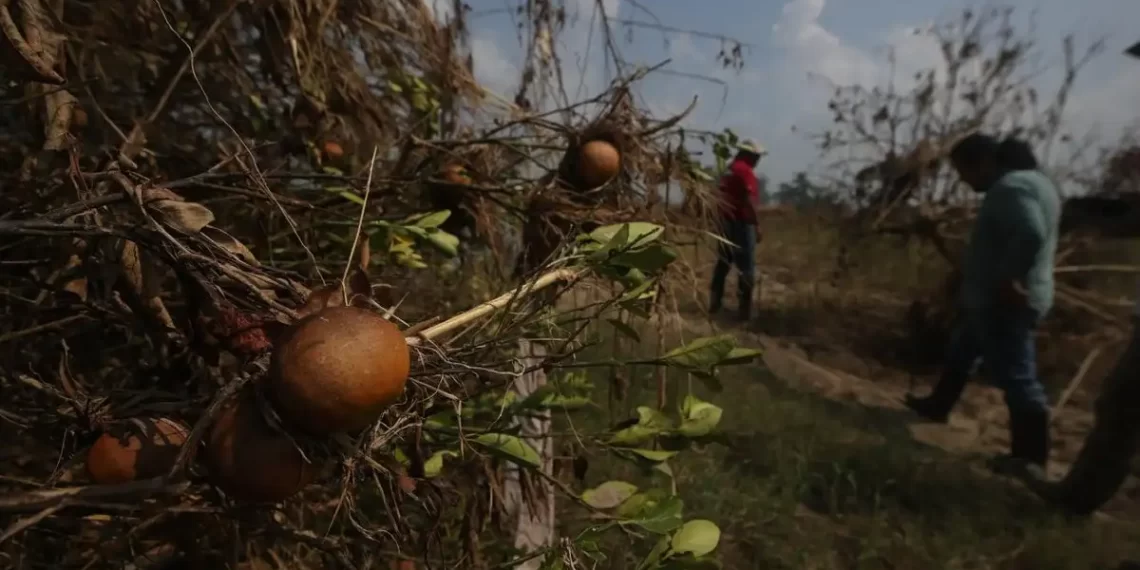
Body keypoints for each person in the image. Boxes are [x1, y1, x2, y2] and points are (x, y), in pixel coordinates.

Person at [904, 133, 1061, 477]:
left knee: (1017, 375)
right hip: (998, 298)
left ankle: (1030, 457)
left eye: (963, 171)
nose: (963, 180)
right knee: (965, 347)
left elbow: (1030, 232)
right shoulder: (1040, 184)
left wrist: (1009, 278)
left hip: (1005, 301)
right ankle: (938, 405)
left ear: (984, 163)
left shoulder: (1010, 188)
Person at [709, 141, 766, 321]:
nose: (758, 160)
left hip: (725, 222)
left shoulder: (728, 170)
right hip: (742, 222)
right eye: (757, 157)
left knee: (723, 263)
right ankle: (744, 311)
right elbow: (748, 201)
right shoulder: (745, 171)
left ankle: (715, 303)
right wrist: (756, 224)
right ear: (749, 155)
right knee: (746, 267)